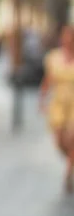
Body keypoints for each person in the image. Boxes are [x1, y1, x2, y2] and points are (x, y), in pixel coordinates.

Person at [40, 25, 74, 193]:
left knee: (72, 139)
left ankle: (68, 173)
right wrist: (42, 99)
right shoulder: (53, 57)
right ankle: (71, 161)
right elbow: (48, 80)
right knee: (61, 142)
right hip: (58, 104)